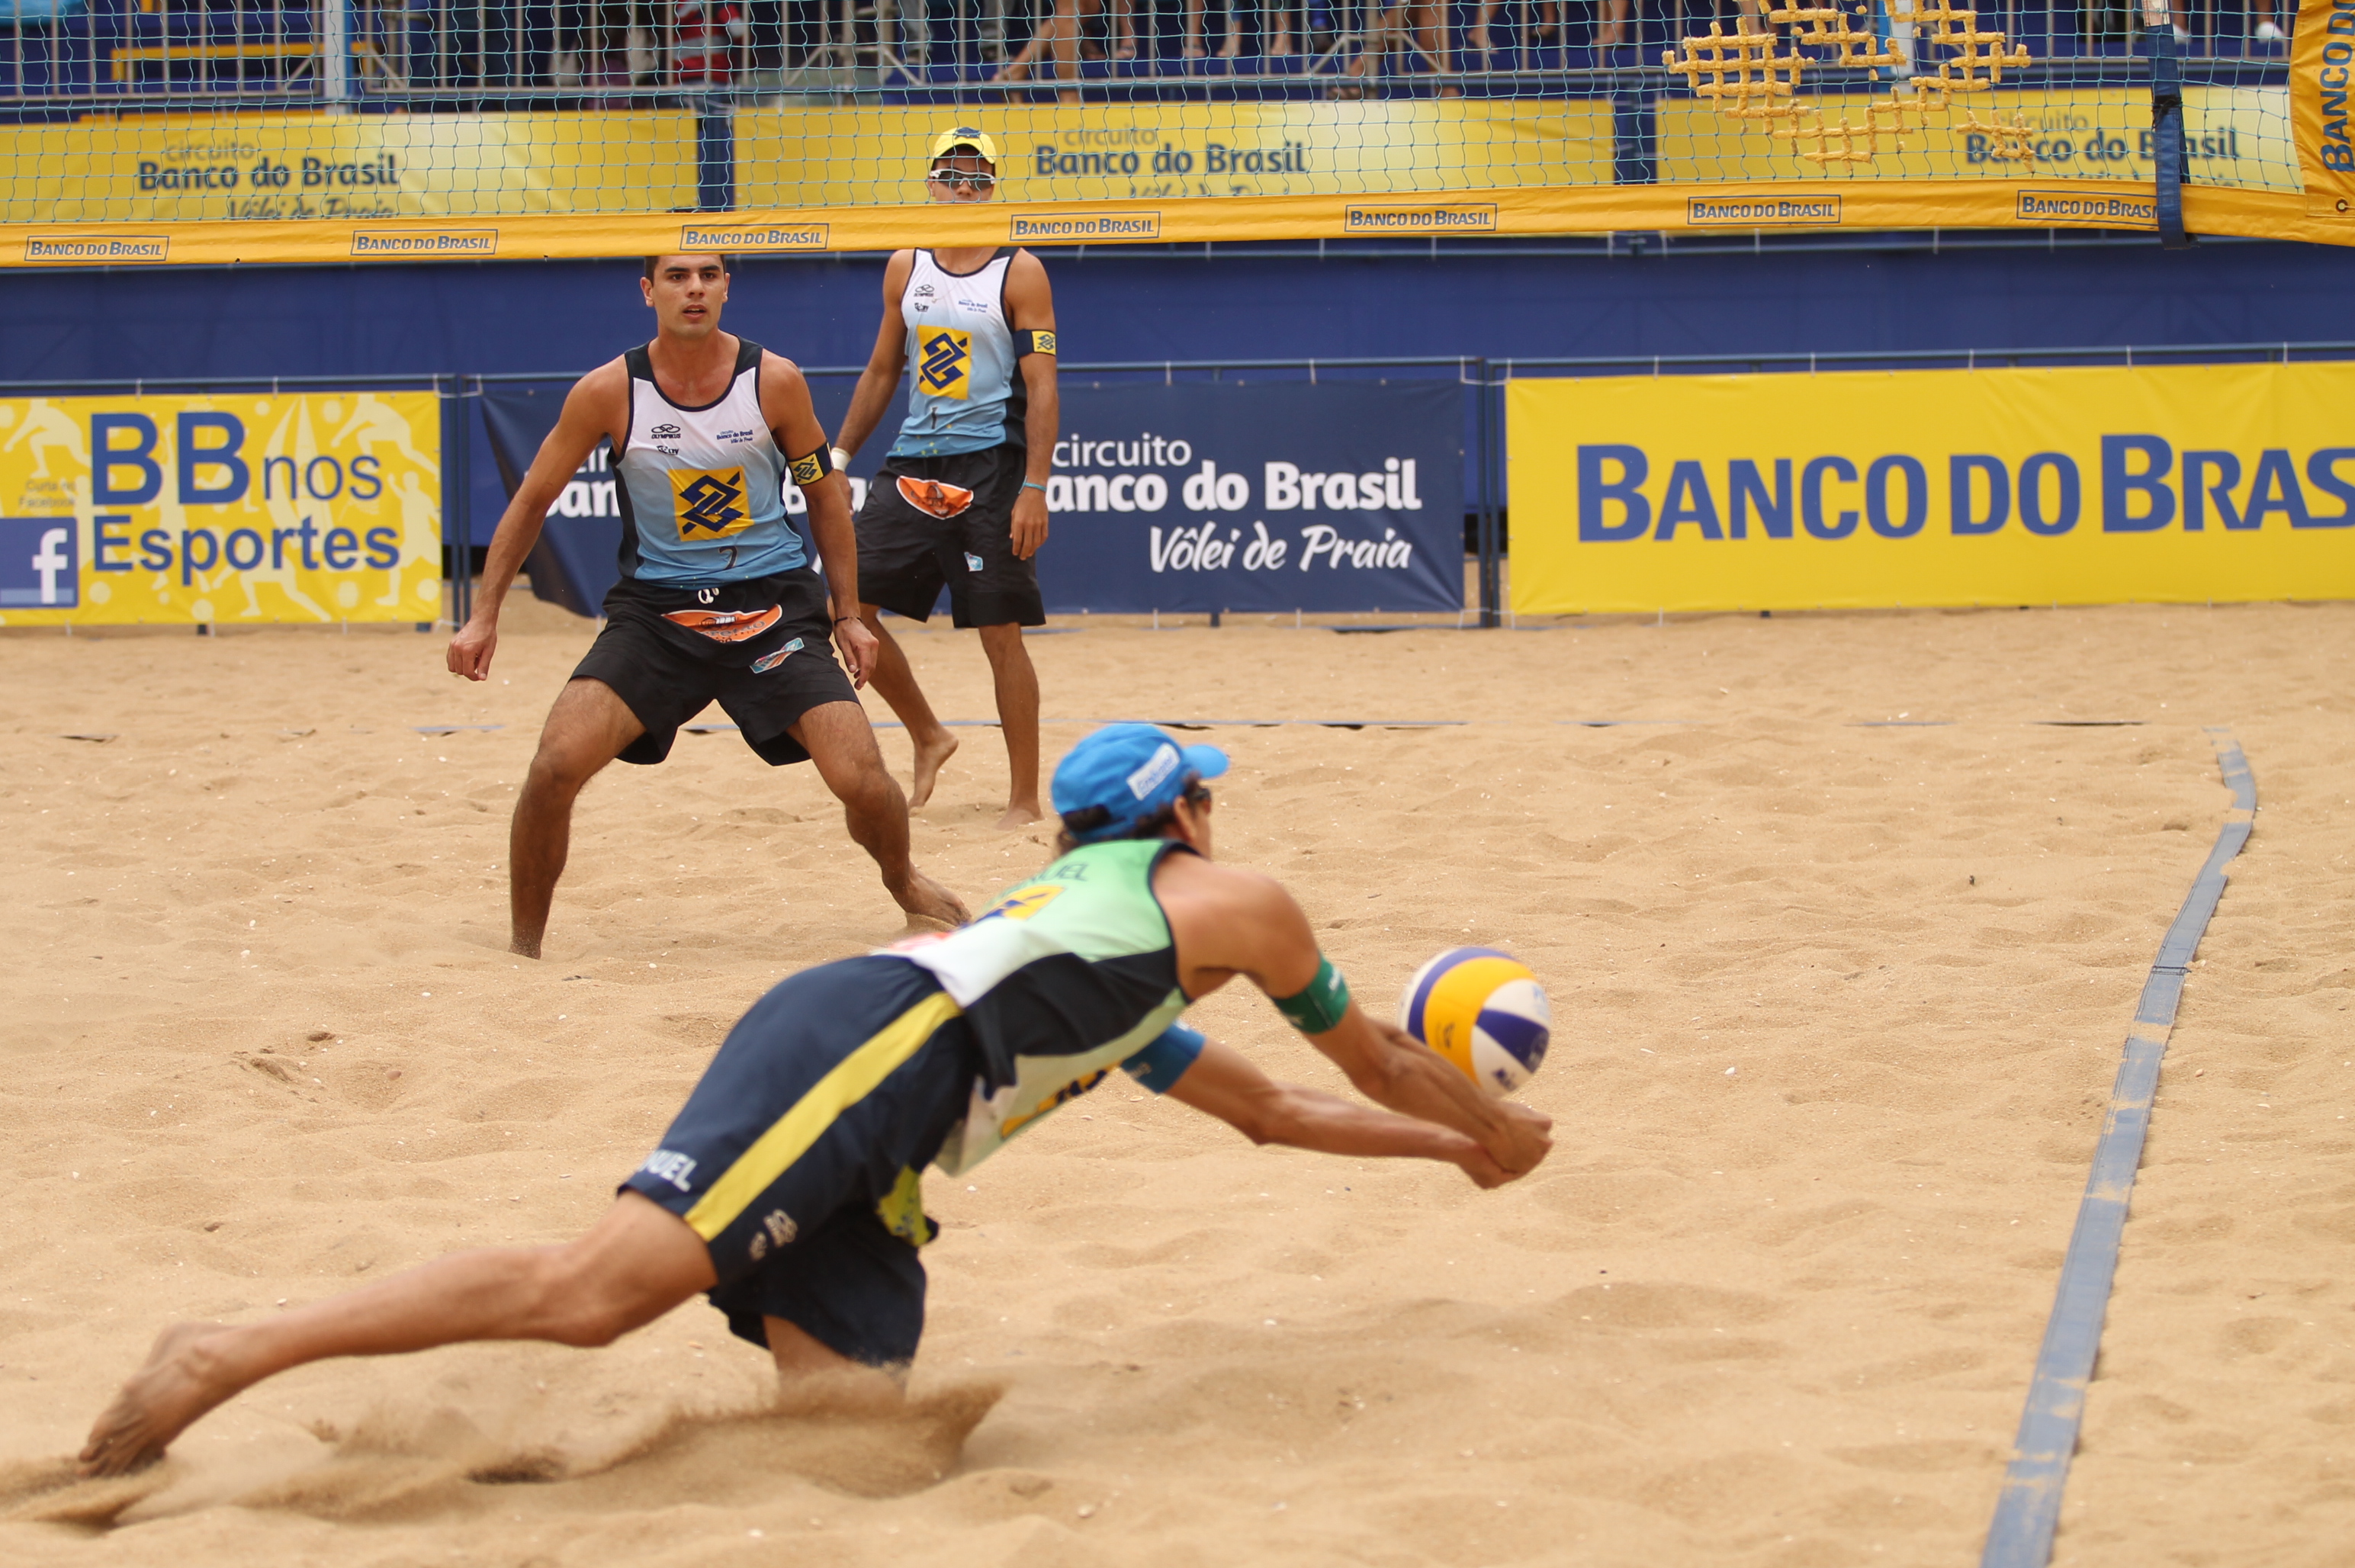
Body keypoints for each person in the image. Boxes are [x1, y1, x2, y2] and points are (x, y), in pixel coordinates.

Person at [79, 724, 1555, 1476]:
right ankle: (225, 1349)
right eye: (1209, 797)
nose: (1221, 819)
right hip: (871, 1046)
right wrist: (1493, 1129)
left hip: (893, 1111)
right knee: (598, 1289)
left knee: (850, 1438)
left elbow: (1278, 1113)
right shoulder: (1227, 900)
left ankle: (530, 1472)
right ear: (1180, 816)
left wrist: (1447, 1153)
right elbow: (1356, 1053)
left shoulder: (1100, 968)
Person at [446, 254, 967, 959]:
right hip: (658, 614)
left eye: (709, 275)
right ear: (647, 291)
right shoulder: (607, 391)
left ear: (727, 288)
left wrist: (847, 613)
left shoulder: (773, 381)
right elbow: (532, 502)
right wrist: (484, 614)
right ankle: (522, 951)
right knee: (554, 765)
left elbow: (824, 500)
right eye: (677, 276)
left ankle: (903, 882)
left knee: (862, 779)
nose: (694, 288)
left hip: (773, 609)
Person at [831, 130, 1059, 831]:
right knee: (848, 611)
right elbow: (880, 371)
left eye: (978, 179)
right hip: (913, 460)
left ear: (994, 188)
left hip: (990, 464)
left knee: (1000, 633)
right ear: (929, 182)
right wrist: (838, 461)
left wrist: (1035, 487)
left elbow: (1043, 387)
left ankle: (1024, 799)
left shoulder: (1020, 271)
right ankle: (930, 734)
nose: (965, 189)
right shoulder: (906, 265)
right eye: (952, 176)